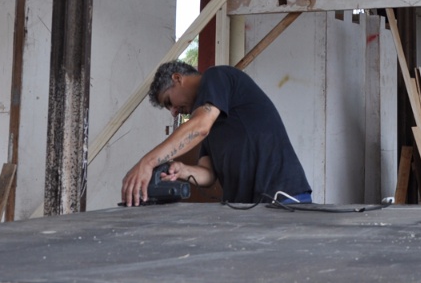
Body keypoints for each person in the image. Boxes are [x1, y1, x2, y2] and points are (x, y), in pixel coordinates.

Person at [122, 61, 311, 206]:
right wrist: (183, 170)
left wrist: (147, 162)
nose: (173, 112)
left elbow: (200, 127)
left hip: (283, 197)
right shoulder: (210, 121)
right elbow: (208, 174)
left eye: (169, 102)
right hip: (247, 209)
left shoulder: (216, 76)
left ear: (177, 79)